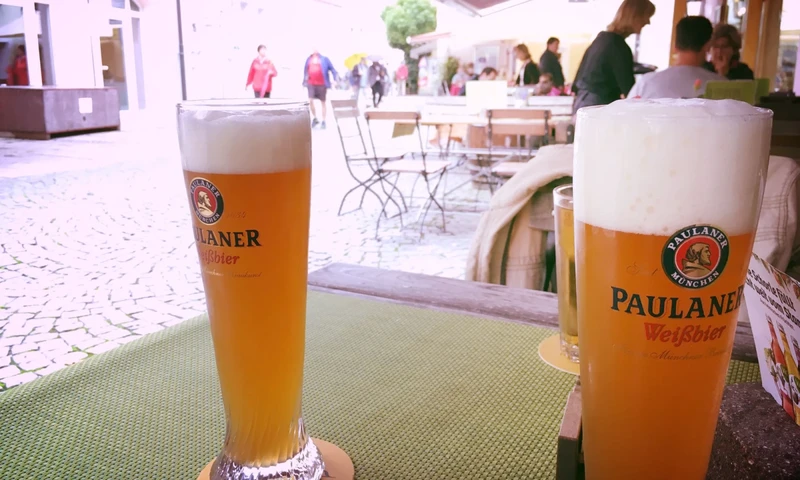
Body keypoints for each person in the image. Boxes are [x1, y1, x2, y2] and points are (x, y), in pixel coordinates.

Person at [572, 0, 656, 113]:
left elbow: (579, 76)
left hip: (583, 102)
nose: (648, 22)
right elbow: (630, 91)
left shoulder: (601, 39)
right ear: (635, 16)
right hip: (599, 105)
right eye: (646, 16)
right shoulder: (618, 45)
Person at [628, 16, 725, 99]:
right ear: (708, 46)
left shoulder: (647, 83)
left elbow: (625, 115)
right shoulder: (721, 85)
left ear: (675, 46)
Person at [303, 50, 338, 129]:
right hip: (311, 83)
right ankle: (315, 118)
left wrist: (335, 79)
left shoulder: (324, 59)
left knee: (323, 102)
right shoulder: (309, 59)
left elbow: (332, 69)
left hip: (322, 84)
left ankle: (323, 120)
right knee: (310, 100)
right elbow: (305, 70)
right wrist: (304, 81)